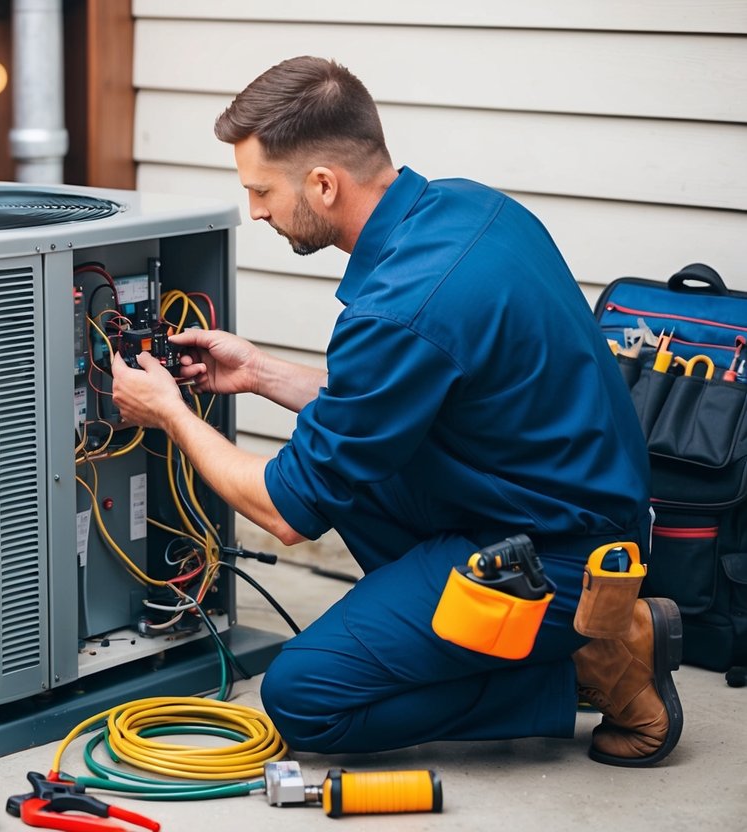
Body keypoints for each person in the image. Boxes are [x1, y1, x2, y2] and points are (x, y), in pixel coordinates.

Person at [110, 55, 683, 767]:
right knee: (339, 466)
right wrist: (257, 372)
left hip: (556, 557)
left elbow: (285, 514)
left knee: (304, 698)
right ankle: (498, 634)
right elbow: (384, 404)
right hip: (561, 505)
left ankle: (587, 660)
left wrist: (166, 410)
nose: (254, 210)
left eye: (260, 190)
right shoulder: (468, 206)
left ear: (323, 185)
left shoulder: (399, 307)